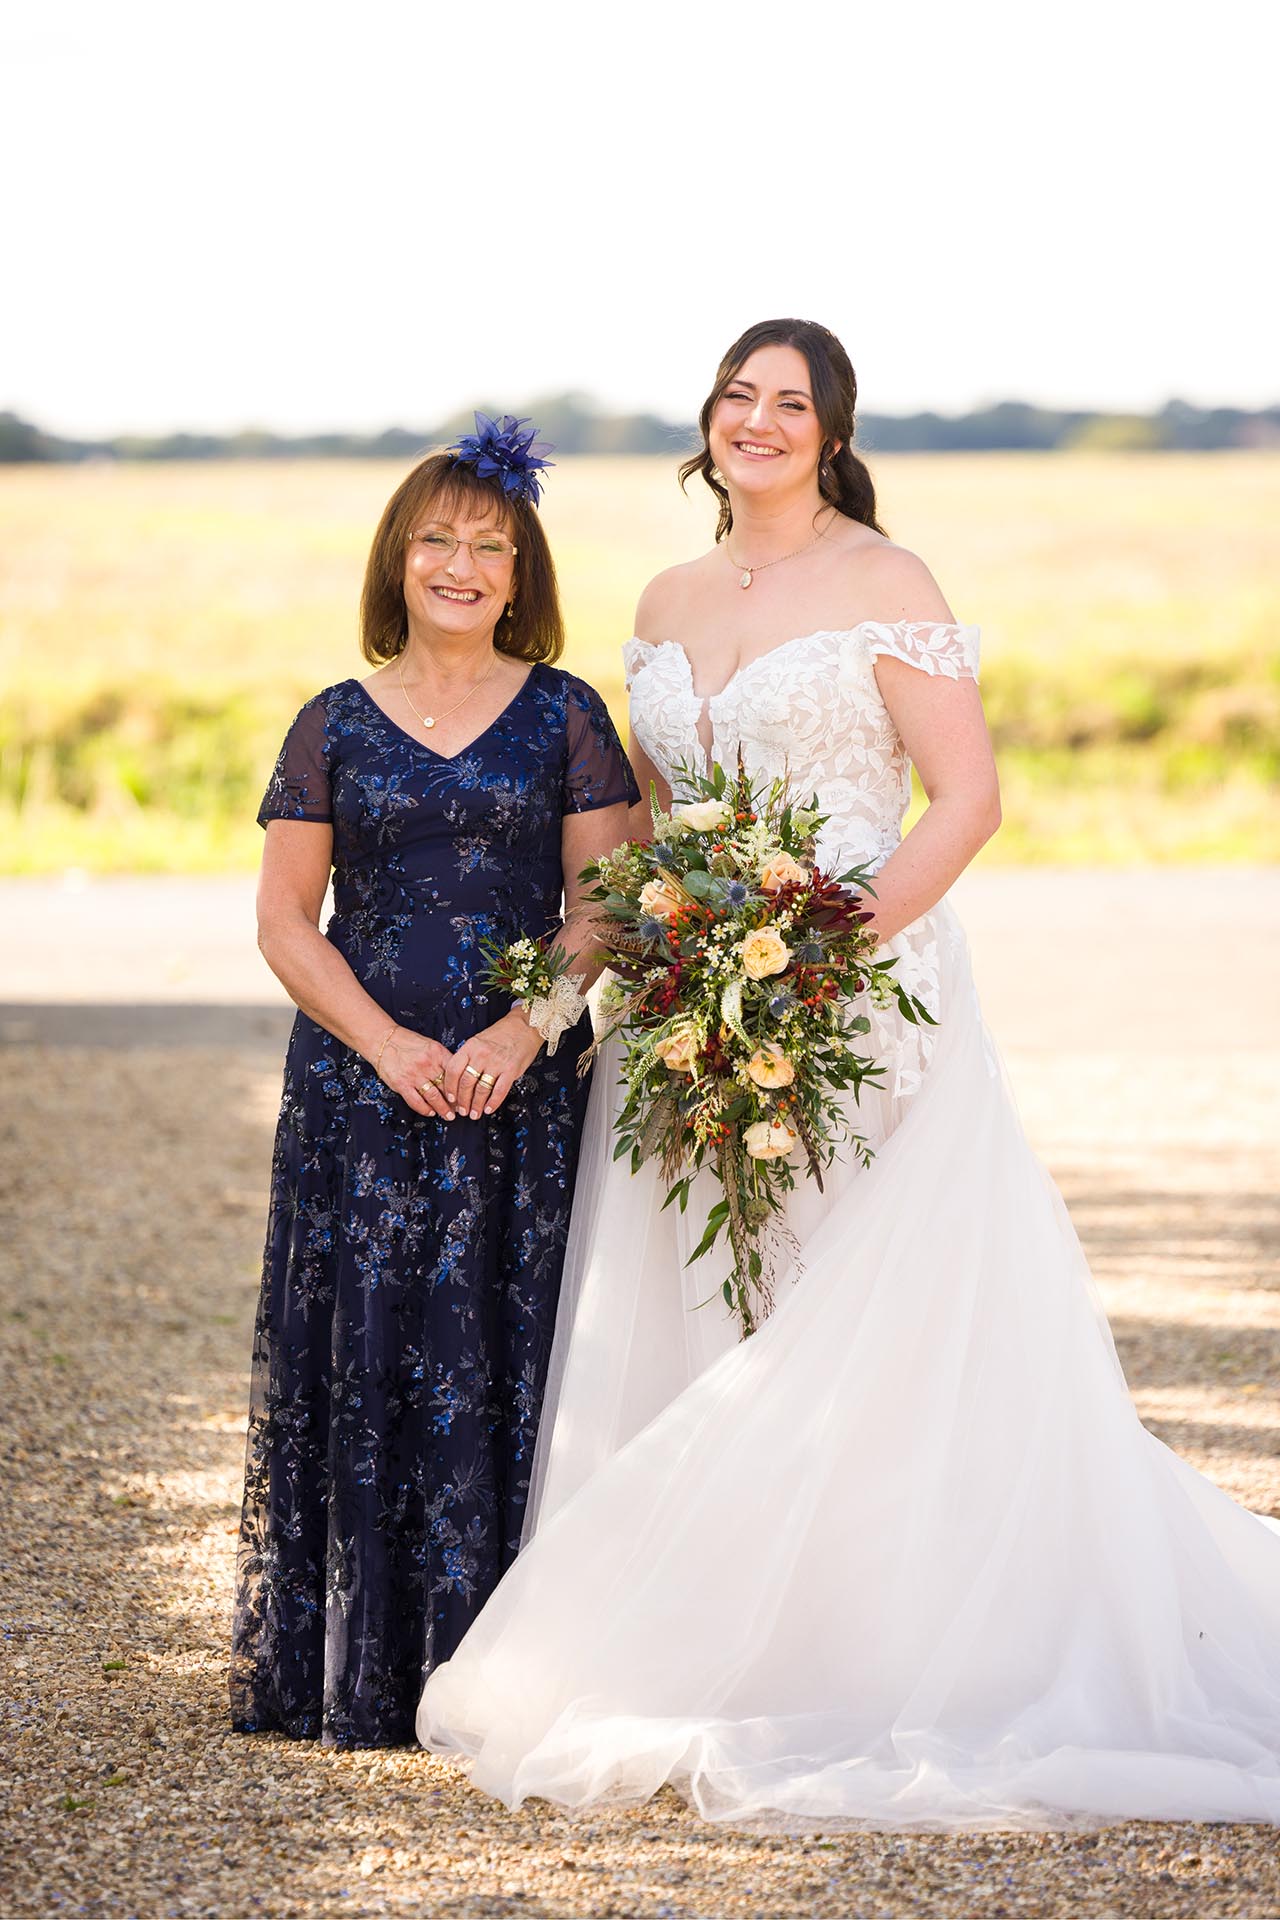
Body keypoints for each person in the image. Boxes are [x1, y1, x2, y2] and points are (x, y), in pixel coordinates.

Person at [417, 324, 1280, 1828]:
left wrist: (829, 945)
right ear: (707, 422)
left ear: (831, 434)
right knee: (710, 1305)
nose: (759, 421)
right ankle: (717, 1644)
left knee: (861, 1310)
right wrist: (588, 985)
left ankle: (891, 1649)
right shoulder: (666, 598)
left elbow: (968, 798)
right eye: (738, 397)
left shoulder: (889, 580)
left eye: (790, 404)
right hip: (695, 1002)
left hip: (860, 989)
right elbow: (651, 835)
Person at [230, 414, 638, 1749]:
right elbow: (289, 921)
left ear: (523, 574)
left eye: (492, 546)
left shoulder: (570, 715)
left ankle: (513, 1673)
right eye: (438, 541)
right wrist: (388, 1047)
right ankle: (367, 1669)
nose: (462, 564)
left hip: (518, 1090)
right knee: (372, 1347)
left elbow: (604, 903)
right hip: (365, 1090)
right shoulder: (330, 725)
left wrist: (525, 1031)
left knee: (517, 1348)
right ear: (397, 561)